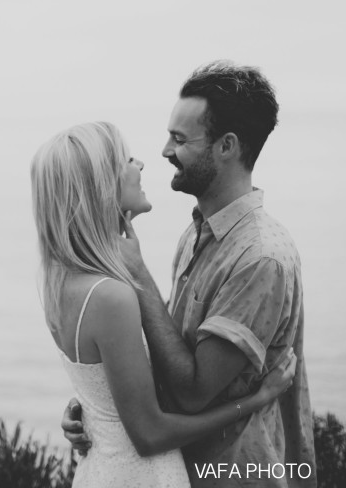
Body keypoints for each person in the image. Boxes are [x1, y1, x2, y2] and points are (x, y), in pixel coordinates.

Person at [62, 62, 316, 487]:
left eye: (179, 139)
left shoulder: (259, 257)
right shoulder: (198, 232)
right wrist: (102, 408)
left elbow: (194, 391)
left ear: (226, 146)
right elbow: (169, 358)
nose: (163, 151)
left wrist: (139, 275)